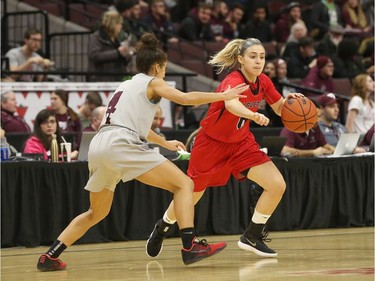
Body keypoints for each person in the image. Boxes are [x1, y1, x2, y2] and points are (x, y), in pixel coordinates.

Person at [36, 32, 249, 271]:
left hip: (100, 144)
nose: (165, 73)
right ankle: (190, 245)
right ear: (156, 66)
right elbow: (185, 98)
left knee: (96, 212)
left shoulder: (126, 85)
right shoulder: (152, 81)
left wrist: (165, 143)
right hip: (120, 143)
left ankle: (50, 256)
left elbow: (138, 126)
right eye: (165, 68)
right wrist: (223, 95)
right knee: (184, 185)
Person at [145, 37, 304, 260]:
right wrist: (252, 115)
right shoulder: (234, 79)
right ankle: (163, 226)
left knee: (277, 184)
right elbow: (231, 103)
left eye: (262, 57)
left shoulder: (264, 81)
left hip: (240, 143)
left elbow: (278, 108)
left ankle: (252, 235)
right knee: (191, 195)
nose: (258, 61)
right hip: (211, 144)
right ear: (240, 59)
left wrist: (290, 104)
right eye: (253, 56)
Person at [88, 11, 133, 82]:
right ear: (113, 24)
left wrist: (127, 54)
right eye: (119, 23)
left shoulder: (117, 38)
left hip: (118, 78)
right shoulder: (96, 37)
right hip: (102, 80)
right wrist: (117, 52)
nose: (121, 26)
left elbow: (123, 60)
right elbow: (94, 56)